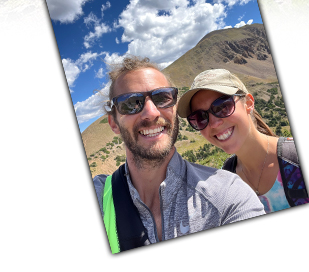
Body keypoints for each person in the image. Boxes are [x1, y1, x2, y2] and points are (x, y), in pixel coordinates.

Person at [94, 56, 264, 252]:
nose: (151, 112)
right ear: (114, 122)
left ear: (174, 109)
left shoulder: (227, 195)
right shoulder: (98, 196)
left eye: (162, 98)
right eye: (131, 102)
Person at [177, 69, 309, 213]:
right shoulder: (226, 180)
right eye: (200, 117)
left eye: (222, 107)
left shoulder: (297, 157)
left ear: (248, 103)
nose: (214, 124)